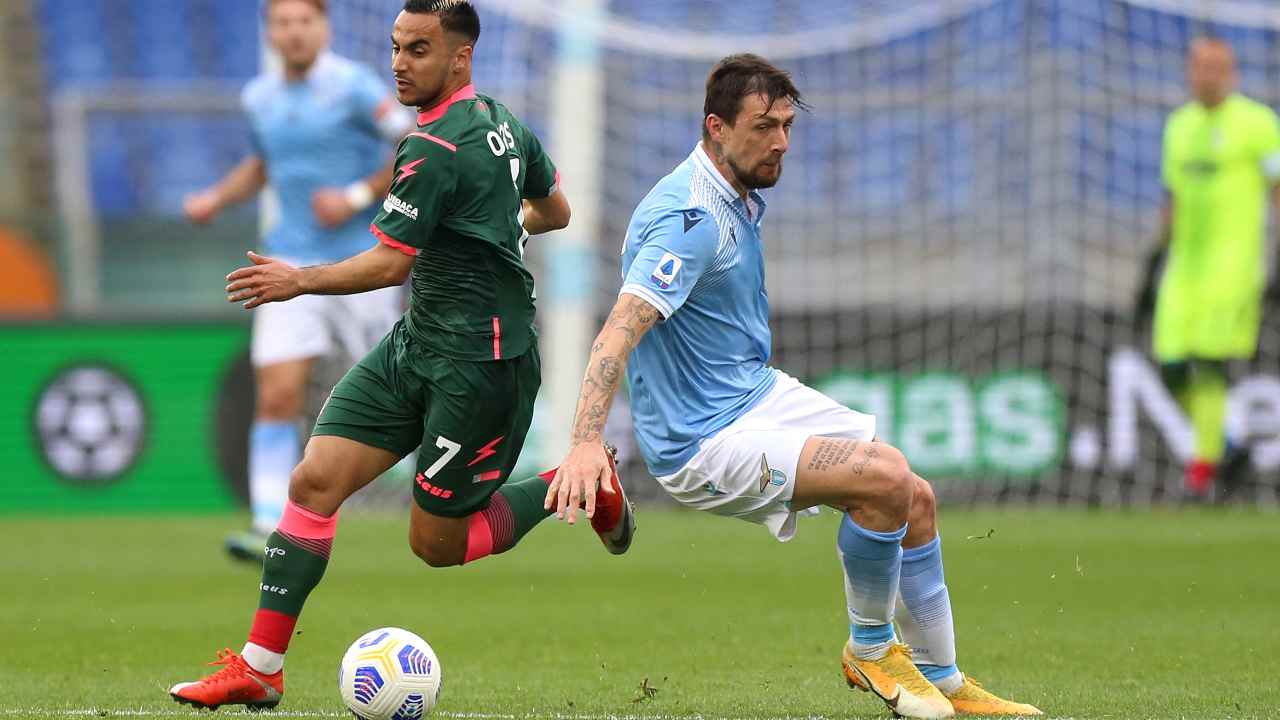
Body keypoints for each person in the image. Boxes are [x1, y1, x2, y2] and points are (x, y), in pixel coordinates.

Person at [168, 1, 633, 710]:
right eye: (396, 47)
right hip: (416, 343)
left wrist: (298, 279)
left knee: (436, 546)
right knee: (314, 482)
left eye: (418, 49)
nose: (399, 63)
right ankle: (261, 668)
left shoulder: (435, 147)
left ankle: (576, 483)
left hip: (481, 368)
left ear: (459, 58)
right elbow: (554, 209)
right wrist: (498, 224)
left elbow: (390, 264)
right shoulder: (506, 123)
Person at [547, 54, 1041, 720]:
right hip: (702, 440)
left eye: (786, 125)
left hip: (752, 395)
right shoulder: (687, 219)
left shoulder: (735, 193)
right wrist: (584, 442)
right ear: (716, 127)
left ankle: (945, 679)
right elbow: (617, 332)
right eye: (763, 126)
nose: (780, 141)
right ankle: (870, 647)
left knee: (913, 497)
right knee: (884, 481)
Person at [184, 0, 415, 561]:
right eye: (281, 23)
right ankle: (269, 525)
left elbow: (414, 147)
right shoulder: (258, 97)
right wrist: (217, 196)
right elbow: (264, 164)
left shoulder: (356, 88)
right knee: (278, 393)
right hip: (286, 267)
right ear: (270, 32)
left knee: (403, 389)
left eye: (303, 21)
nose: (292, 32)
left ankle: (442, 492)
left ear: (323, 27)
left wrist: (357, 196)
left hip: (363, 264)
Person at [1141, 37, 1280, 500]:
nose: (1208, 76)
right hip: (1184, 267)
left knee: (1209, 362)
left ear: (1233, 73)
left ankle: (1202, 472)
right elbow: (1173, 199)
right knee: (1171, 368)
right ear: (1189, 72)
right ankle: (1224, 447)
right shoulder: (1179, 127)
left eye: (1217, 68)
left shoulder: (1259, 123)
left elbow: (1277, 189)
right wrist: (1153, 263)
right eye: (1200, 67)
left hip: (1234, 265)